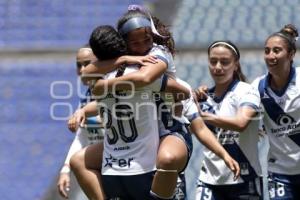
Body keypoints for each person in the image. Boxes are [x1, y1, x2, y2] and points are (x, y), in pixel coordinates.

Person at [74, 6, 239, 200]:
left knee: (167, 159)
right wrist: (123, 62)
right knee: (78, 160)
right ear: (124, 42)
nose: (143, 46)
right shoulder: (125, 65)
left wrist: (104, 86)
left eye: (147, 39)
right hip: (138, 138)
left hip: (170, 130)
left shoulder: (157, 54)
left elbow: (148, 80)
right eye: (135, 42)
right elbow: (89, 76)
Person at [194, 40, 263, 200]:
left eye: (225, 62)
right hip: (209, 180)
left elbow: (241, 124)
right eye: (213, 61)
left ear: (236, 65)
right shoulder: (203, 98)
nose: (218, 67)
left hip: (245, 179)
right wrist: (189, 98)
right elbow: (189, 127)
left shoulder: (247, 91)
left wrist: (202, 116)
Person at [252, 24, 300, 200]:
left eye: (277, 50)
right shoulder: (257, 87)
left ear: (291, 54)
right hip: (280, 172)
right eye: (267, 51)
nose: (270, 56)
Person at [57, 46, 105, 199]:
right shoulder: (86, 98)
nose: (82, 69)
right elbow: (81, 137)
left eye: (87, 63)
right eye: (79, 65)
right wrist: (65, 169)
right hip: (99, 165)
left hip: (120, 163)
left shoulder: (111, 88)